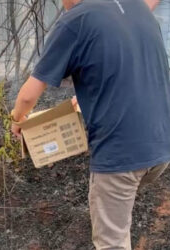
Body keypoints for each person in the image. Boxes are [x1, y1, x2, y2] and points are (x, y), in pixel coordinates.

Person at [10, 0, 169, 249]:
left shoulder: (75, 21)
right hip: (161, 147)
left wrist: (17, 119)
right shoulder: (137, 8)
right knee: (119, 215)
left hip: (120, 152)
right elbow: (131, 68)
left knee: (111, 242)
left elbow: (29, 96)